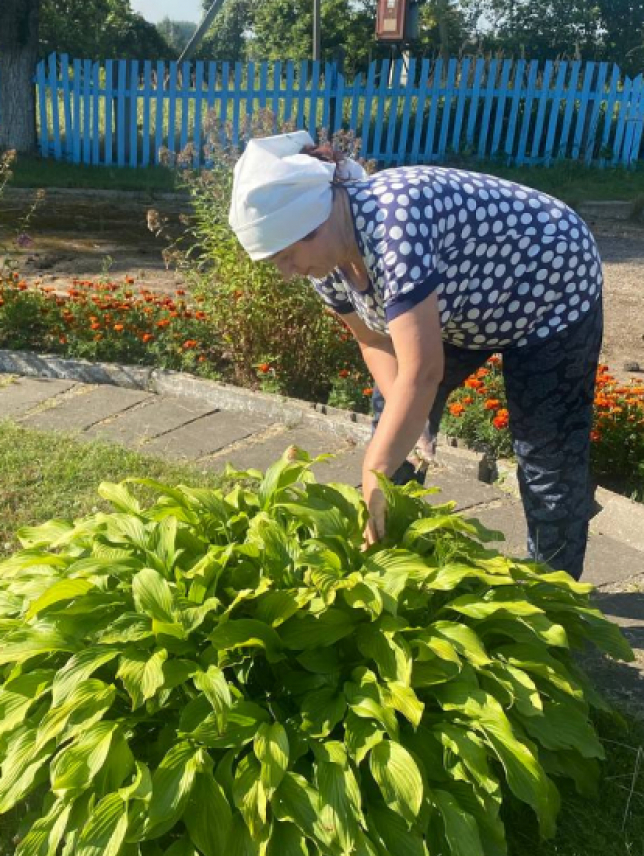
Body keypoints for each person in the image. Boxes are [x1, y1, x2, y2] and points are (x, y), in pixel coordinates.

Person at [228, 131, 604, 579]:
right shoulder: (323, 264)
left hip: (549, 283)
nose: (287, 274)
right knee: (395, 423)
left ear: (315, 220)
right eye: (276, 262)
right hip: (459, 299)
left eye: (287, 257)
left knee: (546, 452)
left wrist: (374, 469)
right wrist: (413, 425)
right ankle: (398, 570)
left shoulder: (393, 227)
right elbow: (375, 341)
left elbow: (423, 371)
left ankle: (555, 595)